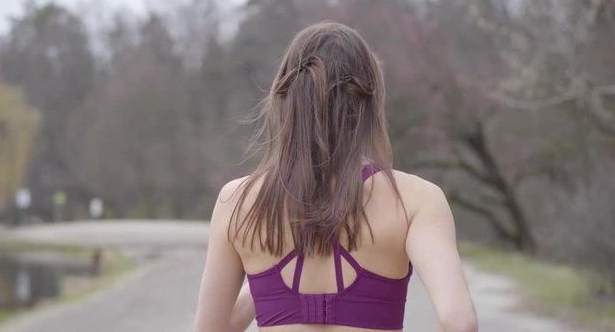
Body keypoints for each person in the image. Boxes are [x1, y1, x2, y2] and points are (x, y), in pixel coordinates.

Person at [193, 21, 478, 332]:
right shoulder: (415, 200)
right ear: (370, 100)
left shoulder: (236, 202)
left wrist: (266, 273)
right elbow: (458, 322)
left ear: (287, 98)